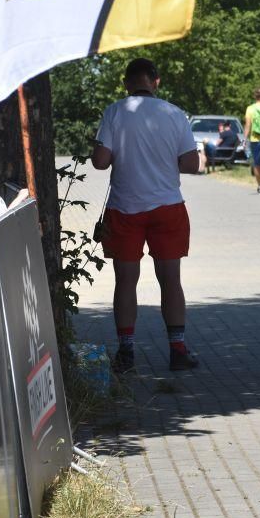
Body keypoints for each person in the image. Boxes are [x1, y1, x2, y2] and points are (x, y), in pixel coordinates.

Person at [91, 58, 200, 373]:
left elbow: (100, 162)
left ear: (126, 83)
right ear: (156, 81)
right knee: (171, 280)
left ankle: (126, 353)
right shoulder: (174, 113)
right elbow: (191, 164)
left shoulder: (115, 112)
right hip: (168, 207)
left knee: (126, 281)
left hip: (124, 208)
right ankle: (177, 350)